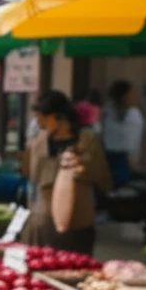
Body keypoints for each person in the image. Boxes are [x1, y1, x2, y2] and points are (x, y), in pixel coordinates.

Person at [21, 91, 111, 255]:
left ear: (60, 117)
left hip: (79, 222)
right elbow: (30, 174)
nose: (40, 123)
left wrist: (73, 167)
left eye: (44, 117)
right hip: (43, 223)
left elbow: (99, 174)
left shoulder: (86, 140)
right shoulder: (37, 144)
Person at [103, 80, 145, 186]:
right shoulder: (111, 115)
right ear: (124, 96)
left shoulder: (130, 114)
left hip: (123, 168)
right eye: (131, 93)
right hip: (116, 169)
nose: (134, 96)